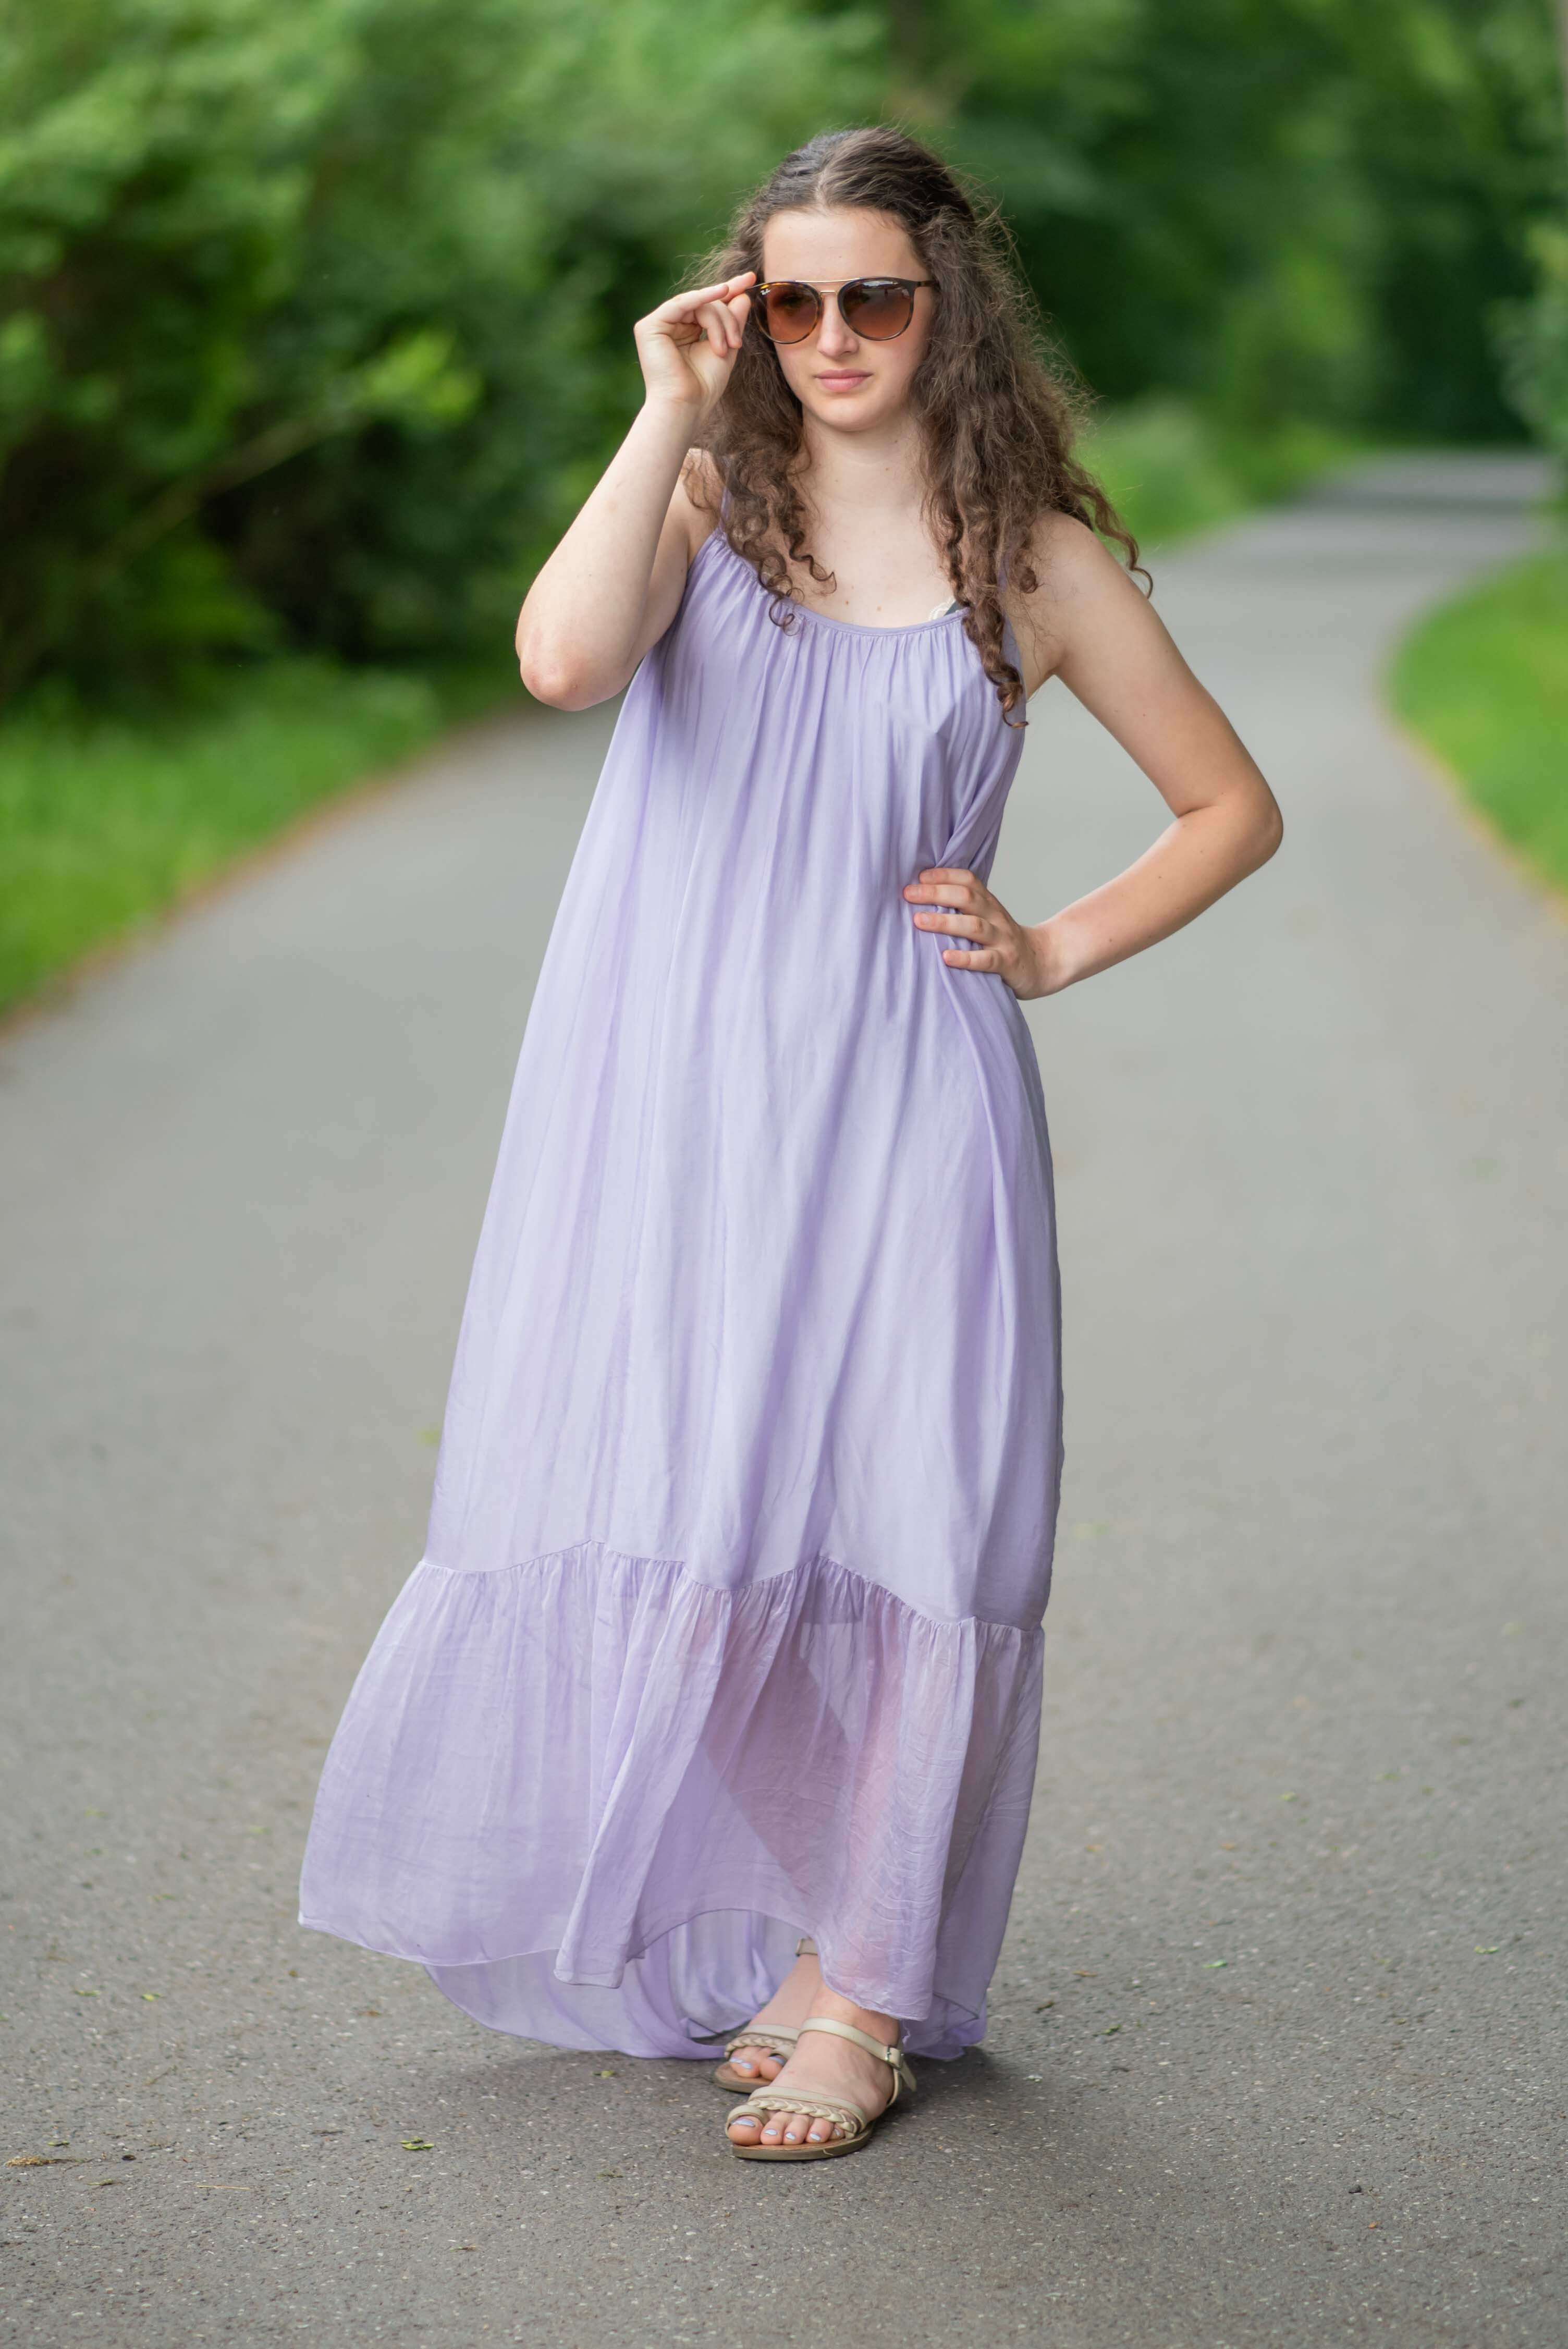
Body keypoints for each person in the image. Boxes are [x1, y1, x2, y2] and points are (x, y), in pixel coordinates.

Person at [299, 125, 1282, 2165]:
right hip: (674, 1108)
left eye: (877, 298)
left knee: (922, 1521)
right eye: (797, 300)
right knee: (722, 1506)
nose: (836, 337)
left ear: (947, 306)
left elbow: (1227, 806)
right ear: (750, 313)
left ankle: (865, 1992)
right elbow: (561, 663)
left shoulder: (1030, 560)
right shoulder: (701, 501)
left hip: (910, 1096)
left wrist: (1051, 942)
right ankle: (807, 1932)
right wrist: (663, 406)